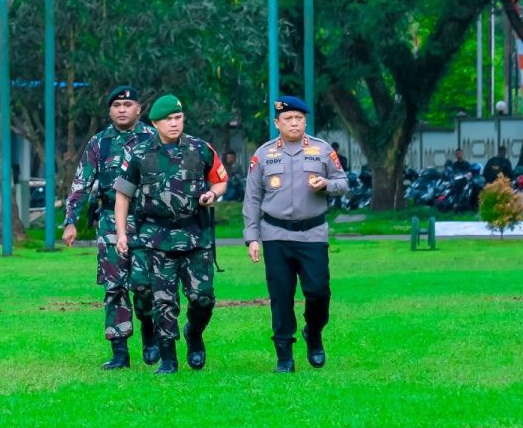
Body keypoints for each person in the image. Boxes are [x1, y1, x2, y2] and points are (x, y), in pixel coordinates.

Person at [113, 94, 227, 374]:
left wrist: (212, 194)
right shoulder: (140, 153)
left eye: (178, 118)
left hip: (195, 236)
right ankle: (169, 359)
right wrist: (121, 234)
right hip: (157, 236)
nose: (174, 124)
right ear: (155, 123)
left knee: (203, 298)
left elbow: (220, 180)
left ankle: (194, 334)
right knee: (163, 300)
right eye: (168, 119)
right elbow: (122, 196)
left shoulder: (200, 148)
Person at [243, 96, 349, 372]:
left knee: (318, 292)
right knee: (281, 295)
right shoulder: (263, 154)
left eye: (299, 118)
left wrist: (326, 184)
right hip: (275, 234)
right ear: (277, 123)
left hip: (312, 233)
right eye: (288, 118)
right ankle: (284, 356)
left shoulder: (322, 150)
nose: (294, 122)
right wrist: (252, 237)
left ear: (305, 121)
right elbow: (252, 198)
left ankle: (313, 333)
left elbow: (343, 183)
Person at [62, 85, 157, 369]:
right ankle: (120, 352)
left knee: (143, 286)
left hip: (145, 222)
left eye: (127, 105)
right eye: (116, 105)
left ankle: (150, 334)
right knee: (114, 286)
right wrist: (71, 221)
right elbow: (81, 183)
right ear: (110, 110)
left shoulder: (153, 139)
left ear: (138, 109)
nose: (122, 109)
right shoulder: (99, 143)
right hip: (108, 223)